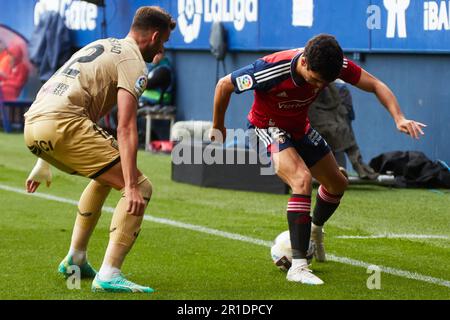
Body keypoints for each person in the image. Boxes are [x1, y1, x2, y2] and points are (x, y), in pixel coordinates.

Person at [210, 34, 426, 285]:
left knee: (337, 184)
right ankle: (298, 267)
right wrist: (218, 126)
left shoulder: (333, 64)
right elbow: (224, 85)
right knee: (301, 179)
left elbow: (375, 84)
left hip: (300, 128)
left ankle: (314, 230)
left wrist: (399, 117)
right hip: (265, 128)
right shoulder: (269, 69)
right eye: (315, 80)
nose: (318, 85)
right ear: (304, 63)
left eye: (325, 82)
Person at [23, 6, 176, 293]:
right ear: (154, 36)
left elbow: (57, 88)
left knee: (105, 173)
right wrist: (130, 185)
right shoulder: (133, 61)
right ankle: (109, 273)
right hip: (63, 125)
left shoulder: (100, 44)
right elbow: (127, 126)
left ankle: (76, 258)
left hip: (33, 124)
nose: (163, 47)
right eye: (164, 41)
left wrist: (43, 159)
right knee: (141, 188)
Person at [308, 80, 379, 180]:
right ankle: (358, 167)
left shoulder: (339, 86)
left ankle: (357, 168)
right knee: (344, 138)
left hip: (329, 117)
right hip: (327, 122)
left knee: (343, 135)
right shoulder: (339, 85)